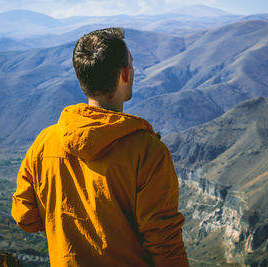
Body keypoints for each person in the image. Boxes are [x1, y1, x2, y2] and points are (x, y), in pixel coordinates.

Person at [11, 27, 188, 267]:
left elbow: (25, 217)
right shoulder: (148, 152)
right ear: (125, 74)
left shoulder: (44, 143)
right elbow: (164, 243)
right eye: (132, 65)